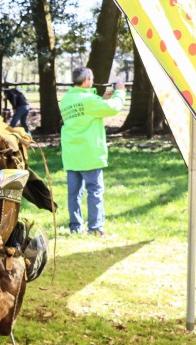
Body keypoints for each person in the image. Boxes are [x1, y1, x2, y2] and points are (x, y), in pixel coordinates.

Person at [60, 67, 126, 236]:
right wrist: (120, 92)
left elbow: (85, 112)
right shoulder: (89, 100)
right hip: (89, 153)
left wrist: (101, 99)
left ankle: (75, 227)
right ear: (87, 80)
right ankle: (95, 228)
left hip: (71, 154)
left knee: (74, 194)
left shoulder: (67, 99)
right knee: (94, 191)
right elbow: (113, 108)